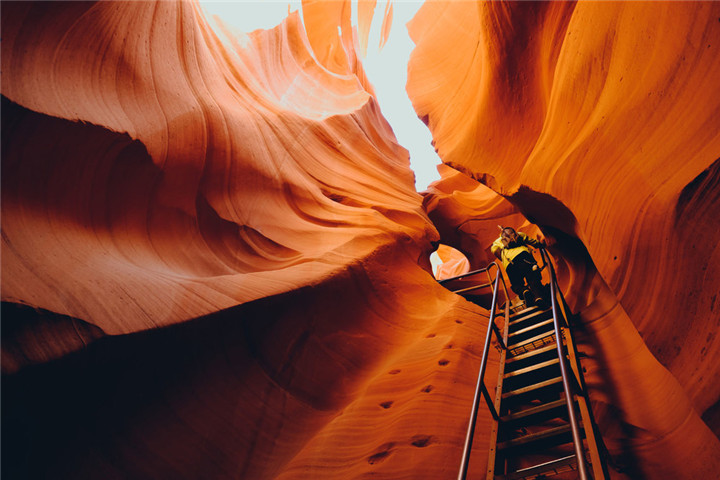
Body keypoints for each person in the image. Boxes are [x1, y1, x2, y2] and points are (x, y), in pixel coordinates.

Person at [491, 226, 546, 307]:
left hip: (510, 264)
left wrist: (503, 259)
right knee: (533, 278)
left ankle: (524, 291)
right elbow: (533, 242)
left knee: (516, 284)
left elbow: (494, 251)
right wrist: (541, 244)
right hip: (524, 257)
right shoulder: (520, 234)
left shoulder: (497, 242)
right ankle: (538, 297)